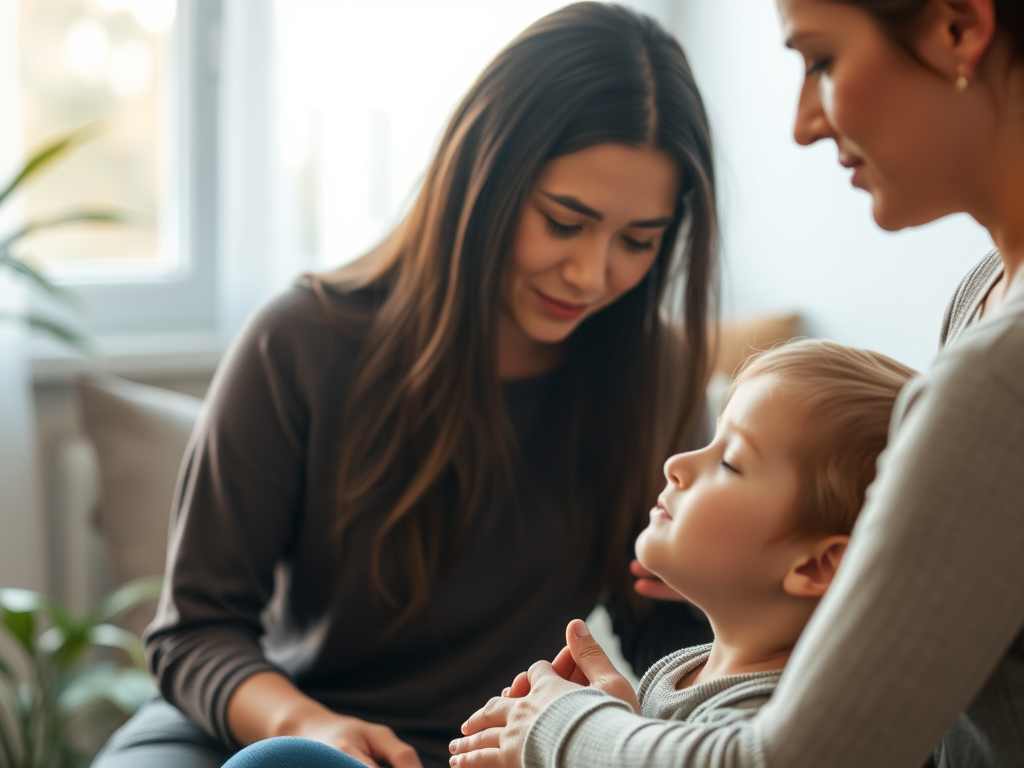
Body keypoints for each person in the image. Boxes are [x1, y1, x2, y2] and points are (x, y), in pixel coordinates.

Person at [91, 5, 720, 768]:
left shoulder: (655, 380)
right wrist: (309, 727)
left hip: (490, 746)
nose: (591, 275)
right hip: (262, 725)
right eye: (563, 222)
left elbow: (675, 641)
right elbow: (194, 632)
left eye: (637, 241)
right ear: (481, 180)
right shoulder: (299, 340)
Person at [452, 0, 1024, 766]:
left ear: (959, 27)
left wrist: (561, 730)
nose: (802, 123)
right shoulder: (982, 299)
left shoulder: (1000, 378)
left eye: (820, 60)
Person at [450, 340, 914, 748]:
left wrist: (585, 735)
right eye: (711, 438)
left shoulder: (773, 720)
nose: (677, 463)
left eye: (730, 462)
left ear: (816, 566)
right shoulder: (683, 670)